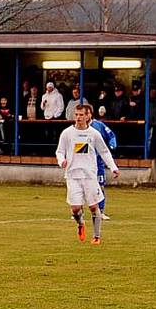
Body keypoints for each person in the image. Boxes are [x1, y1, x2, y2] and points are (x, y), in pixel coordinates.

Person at [56, 104, 120, 245]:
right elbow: (59, 151)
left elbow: (104, 152)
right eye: (76, 114)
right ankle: (81, 223)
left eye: (81, 115)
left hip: (90, 175)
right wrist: (62, 161)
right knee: (75, 208)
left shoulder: (93, 133)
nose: (78, 117)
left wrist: (113, 167)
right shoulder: (67, 133)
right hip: (72, 175)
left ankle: (96, 236)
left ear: (88, 116)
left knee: (93, 206)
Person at [84, 104, 117, 220]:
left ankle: (101, 211)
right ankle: (79, 211)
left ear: (90, 114)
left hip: (98, 162)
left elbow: (111, 135)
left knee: (100, 186)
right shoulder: (77, 129)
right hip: (84, 163)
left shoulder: (99, 125)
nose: (83, 116)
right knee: (82, 186)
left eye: (86, 114)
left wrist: (112, 144)